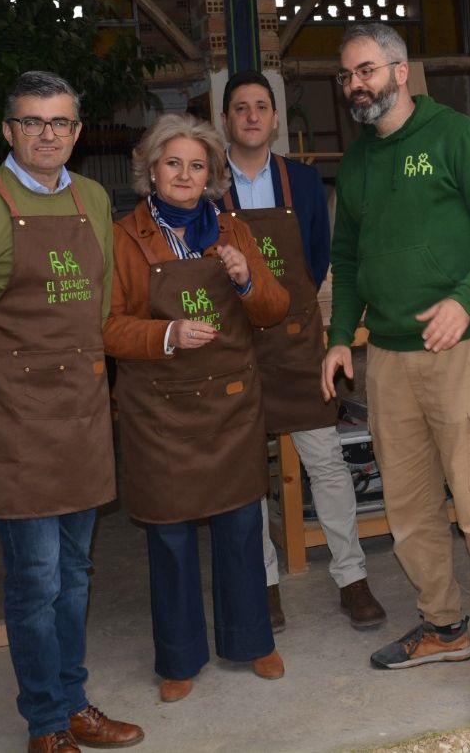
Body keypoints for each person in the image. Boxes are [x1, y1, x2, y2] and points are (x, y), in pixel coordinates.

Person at [319, 25, 470, 725]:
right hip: (386, 358)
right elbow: (349, 259)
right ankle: (444, 626)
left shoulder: (458, 138)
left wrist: (462, 297)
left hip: (459, 351)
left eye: (365, 71)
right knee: (411, 510)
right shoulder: (355, 165)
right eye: (346, 76)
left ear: (401, 71)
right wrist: (337, 340)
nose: (356, 84)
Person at [0, 71, 143, 753]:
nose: (49, 134)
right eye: (34, 122)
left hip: (78, 414)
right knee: (36, 579)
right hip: (13, 424)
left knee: (75, 575)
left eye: (62, 123)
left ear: (77, 132)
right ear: (9, 129)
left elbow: (99, 304)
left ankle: (75, 704)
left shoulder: (93, 197)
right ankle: (46, 722)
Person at [103, 113, 290, 705]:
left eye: (197, 165)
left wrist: (243, 282)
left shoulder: (232, 231)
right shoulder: (124, 237)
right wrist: (166, 335)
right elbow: (105, 327)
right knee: (171, 538)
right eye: (173, 163)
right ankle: (179, 657)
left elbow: (275, 309)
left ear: (212, 174)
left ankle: (250, 640)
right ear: (151, 170)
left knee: (240, 527)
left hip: (229, 406)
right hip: (159, 412)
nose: (185, 174)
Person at [220, 71, 387, 632]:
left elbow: (316, 259)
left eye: (260, 107)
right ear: (226, 121)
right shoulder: (208, 184)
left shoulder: (303, 183)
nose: (250, 116)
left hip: (295, 345)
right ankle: (262, 585)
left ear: (274, 119)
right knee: (245, 474)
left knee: (327, 464)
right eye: (240, 107)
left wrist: (287, 313)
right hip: (232, 346)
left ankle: (352, 577)